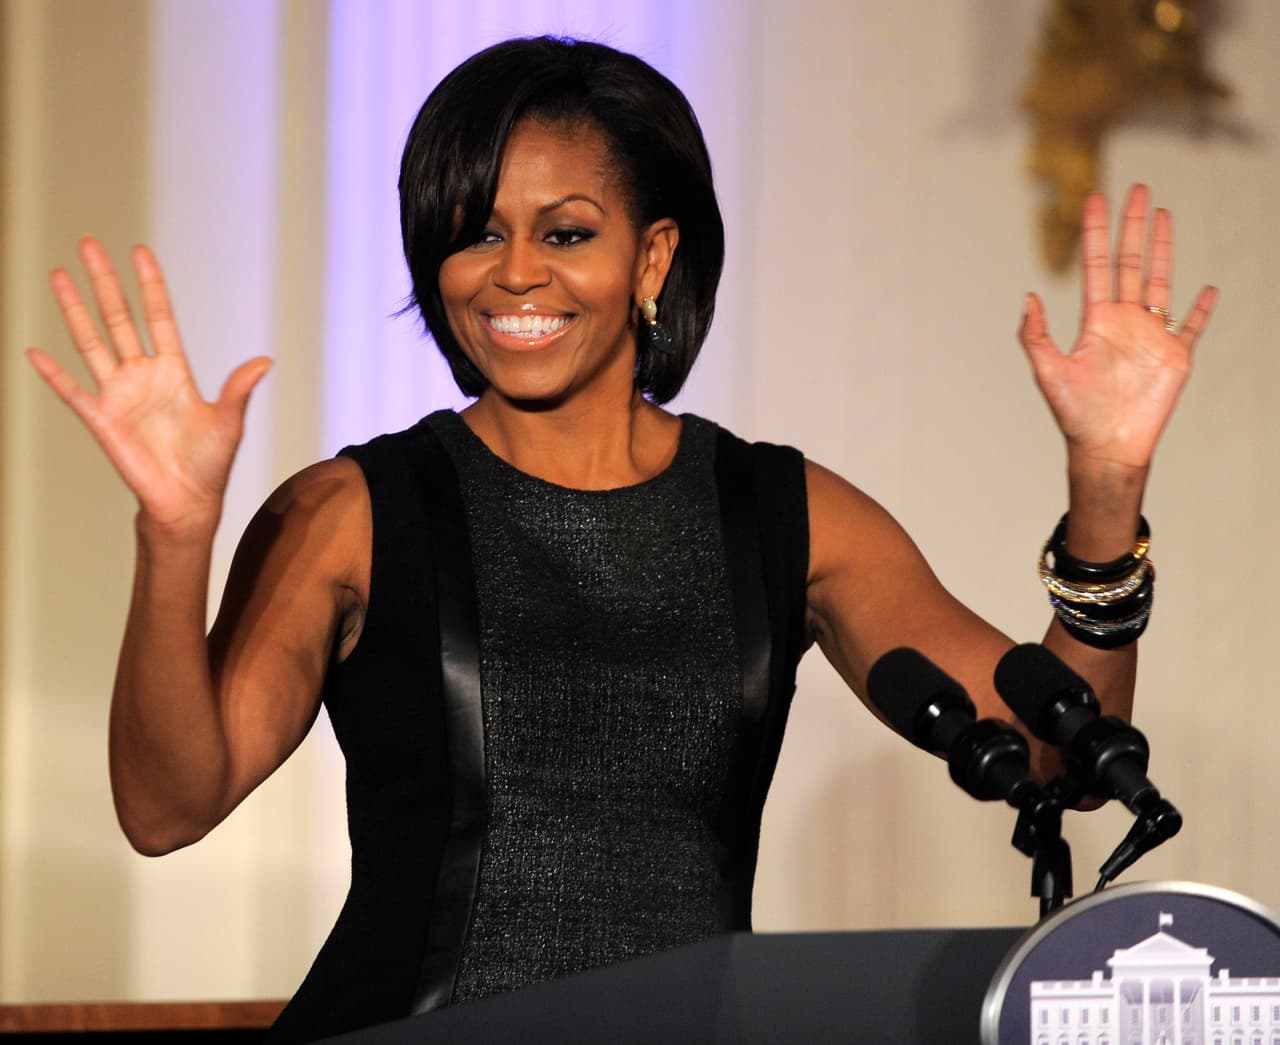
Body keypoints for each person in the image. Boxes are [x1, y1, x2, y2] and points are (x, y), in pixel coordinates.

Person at [25, 35, 1215, 1044]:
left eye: (567, 231)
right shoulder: (351, 511)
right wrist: (174, 534)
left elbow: (1056, 753)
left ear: (651, 256)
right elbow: (166, 805)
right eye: (473, 231)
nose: (515, 272)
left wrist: (1103, 487)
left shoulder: (782, 513)